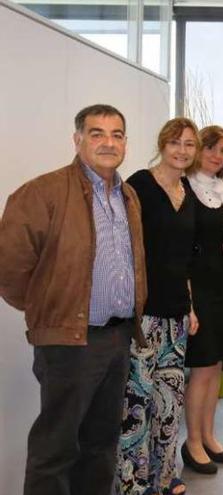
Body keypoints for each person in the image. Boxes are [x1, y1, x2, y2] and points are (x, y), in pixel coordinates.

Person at [0, 104, 146, 495]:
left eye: (117, 134)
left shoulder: (127, 194)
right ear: (77, 139)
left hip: (117, 340)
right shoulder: (42, 193)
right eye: (97, 133)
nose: (108, 142)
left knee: (100, 448)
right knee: (56, 449)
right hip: (69, 343)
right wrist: (49, 310)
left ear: (126, 144)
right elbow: (9, 269)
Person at [116, 117, 200, 495]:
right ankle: (132, 483)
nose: (182, 151)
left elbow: (185, 260)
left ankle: (164, 477)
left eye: (189, 145)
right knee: (137, 404)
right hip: (144, 316)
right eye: (176, 143)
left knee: (169, 403)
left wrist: (191, 307)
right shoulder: (138, 186)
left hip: (177, 317)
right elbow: (126, 251)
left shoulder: (189, 191)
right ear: (162, 144)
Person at [181, 125, 223, 473]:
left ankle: (208, 434)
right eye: (210, 148)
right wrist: (188, 302)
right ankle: (192, 442)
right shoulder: (184, 188)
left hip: (222, 290)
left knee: (216, 367)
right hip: (198, 291)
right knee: (201, 370)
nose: (217, 155)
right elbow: (180, 251)